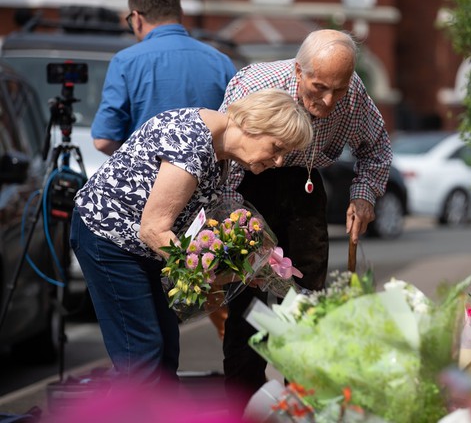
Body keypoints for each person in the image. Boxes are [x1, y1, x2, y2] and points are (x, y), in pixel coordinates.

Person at [70, 89, 313, 385]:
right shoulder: (193, 142)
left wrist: (251, 261)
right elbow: (154, 229)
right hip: (109, 239)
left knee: (165, 351)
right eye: (276, 147)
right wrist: (208, 274)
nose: (278, 161)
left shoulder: (220, 152)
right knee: (142, 356)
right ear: (253, 125)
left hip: (140, 248)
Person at [218, 29, 393, 398]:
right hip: (246, 186)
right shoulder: (257, 85)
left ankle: (302, 401)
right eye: (318, 88)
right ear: (298, 72)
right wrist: (237, 233)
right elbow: (224, 165)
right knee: (246, 308)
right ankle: (243, 404)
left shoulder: (354, 93)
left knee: (304, 303)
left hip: (305, 188)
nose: (329, 101)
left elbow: (376, 147)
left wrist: (363, 197)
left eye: (339, 89)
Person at [91, 0, 236, 156]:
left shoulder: (125, 61)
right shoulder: (221, 61)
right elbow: (235, 129)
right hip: (208, 178)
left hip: (147, 180)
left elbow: (103, 141)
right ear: (180, 14)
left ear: (136, 19)